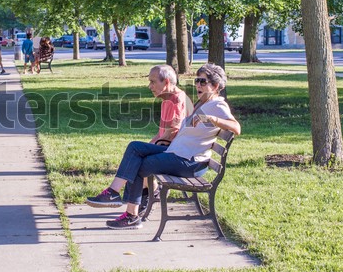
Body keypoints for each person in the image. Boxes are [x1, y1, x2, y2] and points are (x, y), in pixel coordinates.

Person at [88, 63, 241, 230]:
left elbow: (236, 128)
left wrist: (215, 120)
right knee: (134, 147)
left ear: (215, 86)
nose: (198, 84)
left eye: (203, 82)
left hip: (189, 162)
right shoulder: (202, 104)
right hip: (178, 153)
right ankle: (113, 193)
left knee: (139, 164)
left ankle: (131, 215)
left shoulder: (217, 105)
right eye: (197, 80)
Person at [86, 64, 193, 213]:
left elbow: (170, 135)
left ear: (166, 82)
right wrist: (149, 145)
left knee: (136, 154)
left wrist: (148, 149)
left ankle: (126, 195)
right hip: (170, 147)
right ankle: (144, 195)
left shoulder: (176, 100)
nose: (150, 86)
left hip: (176, 152)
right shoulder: (168, 98)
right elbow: (162, 133)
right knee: (136, 153)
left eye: (153, 82)